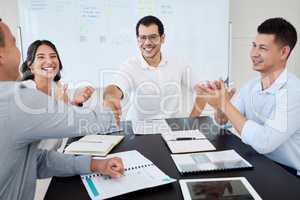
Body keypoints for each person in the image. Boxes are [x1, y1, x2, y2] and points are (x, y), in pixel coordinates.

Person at [0, 19, 124, 200]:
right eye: (13, 43)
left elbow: (35, 161)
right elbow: (92, 121)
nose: (49, 61)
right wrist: (110, 104)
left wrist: (95, 164)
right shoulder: (16, 99)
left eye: (53, 56)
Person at [195, 18, 300, 176]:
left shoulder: (294, 92)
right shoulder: (251, 85)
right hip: (257, 160)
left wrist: (224, 104)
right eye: (254, 46)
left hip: (286, 173)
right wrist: (220, 107)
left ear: (284, 52)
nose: (254, 53)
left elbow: (264, 142)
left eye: (263, 48)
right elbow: (226, 122)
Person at [103, 15, 206, 122]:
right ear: (138, 40)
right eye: (143, 38)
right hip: (139, 129)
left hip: (172, 128)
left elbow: (203, 91)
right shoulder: (130, 66)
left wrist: (191, 121)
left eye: (153, 37)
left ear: (162, 38)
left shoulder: (178, 63)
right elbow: (115, 87)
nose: (147, 43)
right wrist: (110, 97)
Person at [20, 40, 95, 151]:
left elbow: (70, 126)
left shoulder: (56, 87)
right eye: (41, 57)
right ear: (30, 65)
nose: (49, 61)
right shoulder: (25, 91)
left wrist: (75, 102)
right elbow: (36, 139)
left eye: (53, 56)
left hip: (51, 158)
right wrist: (59, 107)